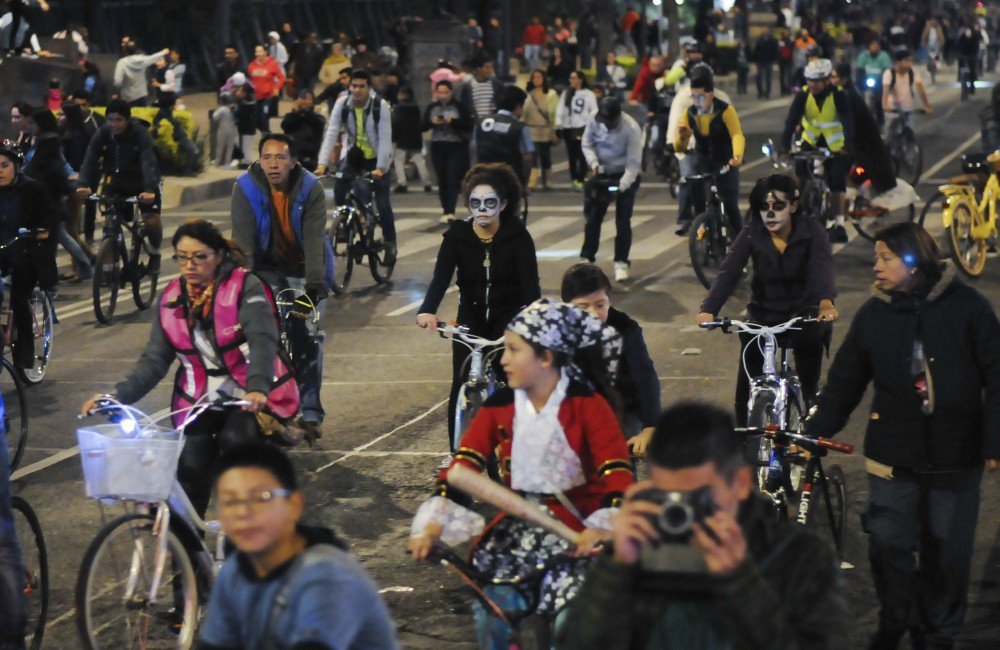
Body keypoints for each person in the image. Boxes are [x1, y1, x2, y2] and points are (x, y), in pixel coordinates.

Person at [804, 223, 1000, 649]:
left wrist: (994, 439)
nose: (875, 266)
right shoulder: (874, 315)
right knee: (888, 546)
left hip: (955, 457)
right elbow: (845, 381)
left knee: (946, 554)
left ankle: (938, 634)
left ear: (913, 261)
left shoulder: (968, 307)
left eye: (885, 258)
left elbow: (996, 373)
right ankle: (896, 618)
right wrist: (814, 432)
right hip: (891, 456)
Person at [409, 298, 633, 648]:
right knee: (492, 615)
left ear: (546, 358)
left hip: (581, 534)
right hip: (519, 535)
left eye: (513, 350)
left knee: (572, 625)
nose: (503, 360)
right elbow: (462, 467)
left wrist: (604, 527)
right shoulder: (499, 406)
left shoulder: (588, 406)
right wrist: (434, 523)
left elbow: (617, 475)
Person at [558, 401, 850, 648]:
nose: (685, 512)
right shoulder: (641, 554)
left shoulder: (799, 556)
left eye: (700, 497)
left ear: (740, 484)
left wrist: (742, 582)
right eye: (671, 498)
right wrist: (615, 569)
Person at [80, 219, 299, 517]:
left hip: (247, 397)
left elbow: (263, 340)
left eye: (199, 257)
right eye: (182, 257)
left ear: (218, 256)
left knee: (236, 442)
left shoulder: (246, 287)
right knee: (189, 470)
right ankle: (186, 544)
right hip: (198, 401)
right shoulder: (171, 297)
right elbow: (154, 360)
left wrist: (258, 387)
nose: (189, 265)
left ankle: (251, 527)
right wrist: (116, 396)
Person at [197, 443, 398, 649]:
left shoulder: (327, 575)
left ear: (294, 505)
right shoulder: (235, 571)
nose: (243, 512)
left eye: (261, 498)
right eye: (230, 501)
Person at [415, 163, 540, 450]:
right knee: (460, 383)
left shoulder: (518, 236)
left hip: (507, 320)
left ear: (503, 204)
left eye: (490, 202)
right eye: (475, 202)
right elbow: (440, 279)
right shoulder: (456, 237)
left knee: (513, 382)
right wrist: (427, 310)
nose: (482, 208)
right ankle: (456, 454)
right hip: (470, 318)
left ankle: (520, 447)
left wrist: (534, 317)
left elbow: (531, 288)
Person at [697, 174, 837, 426]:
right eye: (764, 206)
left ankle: (809, 401)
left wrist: (826, 302)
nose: (770, 213)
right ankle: (745, 433)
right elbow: (729, 271)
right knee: (747, 375)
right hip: (764, 313)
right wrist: (709, 309)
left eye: (778, 205)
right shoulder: (752, 232)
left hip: (803, 311)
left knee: (809, 339)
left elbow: (823, 267)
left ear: (793, 206)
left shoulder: (812, 230)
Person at [231, 133, 328, 435]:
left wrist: (313, 289)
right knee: (263, 333)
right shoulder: (245, 187)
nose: (273, 164)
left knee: (305, 333)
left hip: (303, 269)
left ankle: (310, 409)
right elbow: (243, 243)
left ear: (293, 161)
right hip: (264, 268)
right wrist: (241, 283)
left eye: (280, 158)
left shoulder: (310, 188)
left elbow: (314, 242)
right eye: (267, 158)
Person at [561, 263, 660, 453]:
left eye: (600, 305)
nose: (593, 313)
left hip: (621, 408)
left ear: (609, 301)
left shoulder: (626, 328)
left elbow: (645, 376)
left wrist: (651, 425)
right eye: (583, 307)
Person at [315, 69, 397, 261]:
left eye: (362, 86)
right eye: (354, 86)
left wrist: (381, 168)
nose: (357, 90)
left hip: (377, 159)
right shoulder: (342, 103)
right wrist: (322, 163)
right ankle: (345, 224)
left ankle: (390, 243)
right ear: (349, 87)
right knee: (339, 188)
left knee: (383, 204)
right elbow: (331, 132)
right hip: (355, 157)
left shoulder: (380, 106)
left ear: (369, 88)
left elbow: (385, 138)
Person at [75, 99, 163, 274]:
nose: (114, 124)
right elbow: (90, 157)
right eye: (110, 120)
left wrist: (149, 190)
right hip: (116, 181)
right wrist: (83, 184)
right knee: (109, 223)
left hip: (143, 182)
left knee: (150, 219)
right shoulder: (104, 133)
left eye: (119, 120)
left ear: (127, 120)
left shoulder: (140, 134)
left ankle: (155, 253)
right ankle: (109, 269)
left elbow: (148, 162)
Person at [781, 58, 854, 243]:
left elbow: (847, 121)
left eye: (816, 81)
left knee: (836, 179)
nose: (812, 84)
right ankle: (796, 212)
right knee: (800, 172)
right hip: (811, 142)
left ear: (827, 80)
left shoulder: (839, 95)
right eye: (809, 80)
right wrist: (785, 147)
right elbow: (791, 121)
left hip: (835, 146)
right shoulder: (803, 95)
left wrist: (847, 145)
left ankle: (839, 224)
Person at [0, 141, 53, 370]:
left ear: (16, 166)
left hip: (27, 252)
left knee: (19, 298)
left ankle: (25, 355)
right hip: (2, 252)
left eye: (4, 165)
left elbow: (48, 217)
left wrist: (41, 231)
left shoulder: (33, 190)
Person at [674, 67, 745, 237]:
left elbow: (736, 135)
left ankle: (741, 242)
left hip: (726, 161)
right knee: (697, 195)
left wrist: (737, 156)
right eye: (693, 97)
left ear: (711, 95)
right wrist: (683, 138)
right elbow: (679, 148)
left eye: (701, 97)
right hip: (703, 160)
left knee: (730, 203)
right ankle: (703, 227)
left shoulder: (725, 110)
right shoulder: (689, 113)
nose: (696, 101)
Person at [581, 97, 642, 282]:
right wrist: (593, 163)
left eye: (610, 122)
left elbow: (633, 164)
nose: (607, 126)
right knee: (593, 218)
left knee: (622, 221)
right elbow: (587, 143)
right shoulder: (594, 119)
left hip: (624, 174)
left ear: (618, 117)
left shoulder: (631, 129)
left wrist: (621, 187)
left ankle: (621, 262)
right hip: (601, 172)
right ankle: (587, 257)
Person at [422, 80, 473, 224]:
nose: (443, 95)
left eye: (446, 92)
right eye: (440, 92)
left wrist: (453, 121)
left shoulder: (459, 107)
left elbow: (468, 124)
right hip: (437, 145)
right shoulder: (432, 107)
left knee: (452, 178)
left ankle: (450, 211)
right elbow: (422, 126)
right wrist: (432, 122)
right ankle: (445, 209)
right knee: (442, 179)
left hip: (456, 146)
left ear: (451, 92)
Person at [474, 85, 533, 189]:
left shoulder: (481, 122)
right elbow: (526, 158)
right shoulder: (520, 127)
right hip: (510, 180)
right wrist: (524, 184)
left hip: (484, 178)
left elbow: (475, 148)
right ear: (518, 106)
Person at [556, 70, 598, 192]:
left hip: (582, 127)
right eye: (570, 78)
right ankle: (574, 178)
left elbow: (594, 110)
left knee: (582, 154)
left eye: (574, 78)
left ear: (580, 80)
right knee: (571, 155)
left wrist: (592, 125)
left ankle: (581, 178)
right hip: (568, 127)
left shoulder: (589, 94)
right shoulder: (566, 93)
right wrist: (558, 123)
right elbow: (561, 109)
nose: (571, 80)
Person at [390, 86, 432, 194]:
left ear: (403, 94)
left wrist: (393, 137)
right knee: (419, 161)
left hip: (402, 138)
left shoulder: (399, 108)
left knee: (398, 161)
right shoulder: (415, 107)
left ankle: (402, 183)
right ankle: (427, 183)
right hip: (415, 137)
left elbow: (396, 123)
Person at [523, 69, 559, 191]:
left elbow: (554, 114)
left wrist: (554, 130)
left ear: (544, 79)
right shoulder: (528, 94)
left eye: (539, 77)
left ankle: (547, 180)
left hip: (546, 130)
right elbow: (524, 113)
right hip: (531, 130)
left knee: (545, 156)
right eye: (534, 77)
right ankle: (532, 181)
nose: (536, 80)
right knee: (533, 156)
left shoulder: (551, 94)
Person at [881, 48, 931, 134]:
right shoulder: (889, 73)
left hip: (907, 105)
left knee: (909, 131)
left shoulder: (912, 72)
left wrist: (926, 105)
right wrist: (885, 106)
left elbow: (920, 89)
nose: (909, 63)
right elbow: (886, 92)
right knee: (891, 131)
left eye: (910, 61)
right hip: (892, 106)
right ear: (898, 62)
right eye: (906, 61)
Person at [279, 90, 326, 172]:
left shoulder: (318, 118)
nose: (304, 102)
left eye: (308, 99)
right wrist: (295, 111)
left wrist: (307, 110)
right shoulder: (292, 116)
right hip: (290, 157)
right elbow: (285, 125)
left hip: (308, 160)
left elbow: (317, 123)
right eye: (302, 98)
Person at [113, 40, 169, 107]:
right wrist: (163, 52)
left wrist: (116, 92)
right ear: (136, 50)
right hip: (141, 95)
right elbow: (152, 58)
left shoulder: (122, 62)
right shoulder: (142, 59)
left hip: (127, 97)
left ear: (124, 50)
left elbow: (117, 81)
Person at [248, 44, 286, 133]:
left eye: (260, 51)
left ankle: (267, 135)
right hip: (256, 96)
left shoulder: (272, 64)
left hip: (268, 96)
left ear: (265, 52)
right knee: (256, 119)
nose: (258, 54)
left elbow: (281, 78)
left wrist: (277, 88)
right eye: (256, 52)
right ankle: (266, 133)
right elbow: (249, 80)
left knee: (264, 116)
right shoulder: (252, 65)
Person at [855, 38, 891, 125]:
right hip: (866, 80)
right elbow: (859, 70)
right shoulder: (863, 56)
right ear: (869, 47)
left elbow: (886, 70)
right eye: (873, 46)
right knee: (861, 99)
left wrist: (884, 81)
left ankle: (880, 121)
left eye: (876, 46)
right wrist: (859, 81)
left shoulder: (884, 56)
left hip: (879, 81)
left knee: (879, 100)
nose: (875, 47)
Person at [458, 54, 504, 121]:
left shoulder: (497, 85)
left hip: (494, 121)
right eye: (487, 67)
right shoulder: (468, 87)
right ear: (478, 68)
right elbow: (464, 106)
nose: (490, 70)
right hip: (476, 122)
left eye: (491, 67)